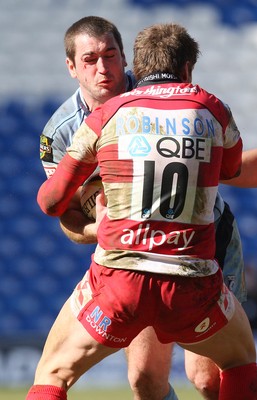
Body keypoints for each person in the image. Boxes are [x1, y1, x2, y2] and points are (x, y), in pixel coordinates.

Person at [27, 22, 257, 400]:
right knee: (145, 380)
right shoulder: (60, 133)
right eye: (90, 59)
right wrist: (97, 229)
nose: (103, 68)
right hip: (136, 254)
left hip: (203, 242)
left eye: (110, 55)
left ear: (126, 57)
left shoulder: (157, 88)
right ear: (71, 67)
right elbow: (66, 214)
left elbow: (230, 168)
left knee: (206, 376)